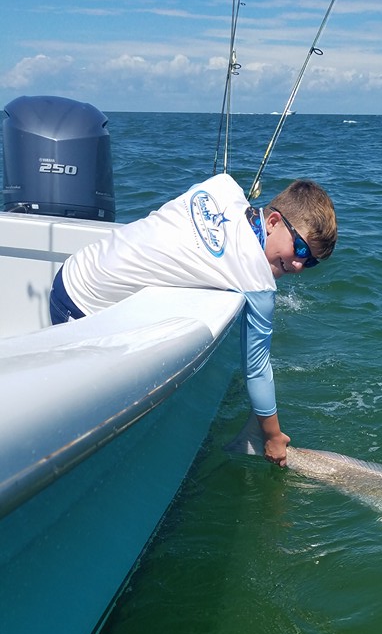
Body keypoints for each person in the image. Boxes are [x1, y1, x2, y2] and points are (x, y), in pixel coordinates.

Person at [49, 173, 337, 467]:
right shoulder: (256, 278)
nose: (300, 266)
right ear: (274, 222)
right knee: (84, 420)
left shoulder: (223, 186)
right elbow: (258, 370)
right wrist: (273, 436)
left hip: (74, 268)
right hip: (83, 307)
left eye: (310, 261)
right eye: (301, 249)